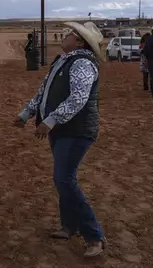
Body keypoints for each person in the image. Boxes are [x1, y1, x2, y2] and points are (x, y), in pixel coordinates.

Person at [13, 21, 106, 258]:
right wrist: (27, 113)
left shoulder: (83, 63)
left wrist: (50, 121)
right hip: (63, 130)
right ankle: (69, 226)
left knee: (64, 179)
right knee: (64, 179)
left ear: (80, 41)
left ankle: (94, 235)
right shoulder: (64, 60)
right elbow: (45, 91)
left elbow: (78, 99)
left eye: (71, 34)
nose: (66, 35)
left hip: (77, 130)